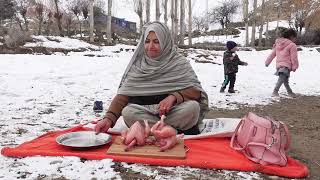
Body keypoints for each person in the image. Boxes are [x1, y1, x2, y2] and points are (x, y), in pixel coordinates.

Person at [94, 22, 209, 138]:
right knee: (128, 113)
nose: (150, 46)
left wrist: (174, 97)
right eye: (147, 41)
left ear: (165, 42)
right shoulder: (138, 65)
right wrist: (108, 119)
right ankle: (170, 131)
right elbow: (123, 96)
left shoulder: (179, 63)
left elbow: (196, 91)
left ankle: (156, 130)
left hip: (173, 112)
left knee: (192, 108)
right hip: (146, 112)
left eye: (156, 41)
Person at [265, 28, 299, 97]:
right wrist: (295, 66)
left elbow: (272, 54)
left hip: (279, 65)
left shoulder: (278, 44)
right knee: (281, 79)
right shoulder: (292, 45)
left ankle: (290, 92)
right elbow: (294, 58)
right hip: (286, 66)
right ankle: (275, 92)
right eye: (295, 38)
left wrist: (267, 62)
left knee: (285, 80)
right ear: (292, 37)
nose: (295, 40)